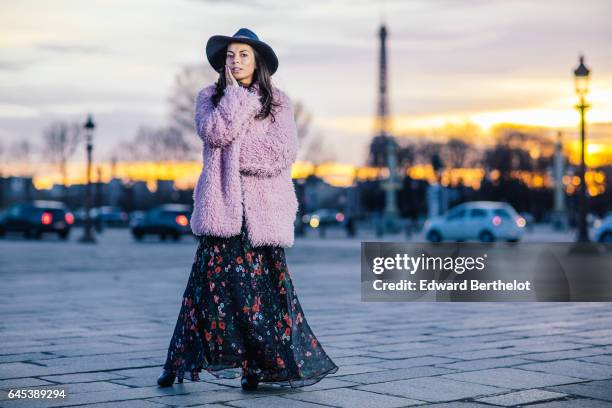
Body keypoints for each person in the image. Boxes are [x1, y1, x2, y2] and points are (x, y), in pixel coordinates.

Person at [157, 28, 338, 390]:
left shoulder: (279, 102)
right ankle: (179, 361)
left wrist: (233, 157)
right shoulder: (209, 97)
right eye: (230, 55)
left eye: (243, 55)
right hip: (222, 209)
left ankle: (256, 367)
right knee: (206, 289)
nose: (235, 61)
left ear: (258, 62)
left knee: (261, 293)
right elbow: (214, 134)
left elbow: (281, 152)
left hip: (262, 212)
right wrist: (236, 100)